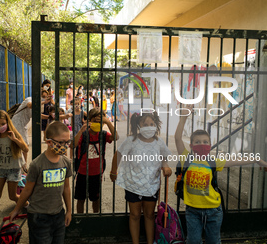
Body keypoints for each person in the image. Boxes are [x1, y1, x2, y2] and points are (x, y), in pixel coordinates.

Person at [174, 104, 267, 244]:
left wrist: (257, 159)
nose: (202, 144)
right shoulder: (186, 158)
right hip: (193, 211)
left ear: (210, 145)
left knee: (213, 241)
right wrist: (184, 117)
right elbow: (177, 138)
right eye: (197, 142)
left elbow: (235, 161)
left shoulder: (213, 162)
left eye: (205, 142)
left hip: (213, 211)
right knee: (193, 241)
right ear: (191, 146)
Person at [110, 112, 172, 244]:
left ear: (156, 125)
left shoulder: (159, 142)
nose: (149, 127)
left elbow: (164, 157)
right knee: (135, 215)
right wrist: (113, 171)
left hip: (152, 184)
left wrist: (165, 166)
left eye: (151, 124)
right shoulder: (131, 140)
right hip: (133, 184)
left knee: (150, 215)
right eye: (145, 124)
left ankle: (150, 242)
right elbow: (119, 154)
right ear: (138, 125)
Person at [9, 121, 72, 244]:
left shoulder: (66, 162)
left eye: (67, 142)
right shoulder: (37, 164)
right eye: (61, 142)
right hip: (39, 217)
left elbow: (66, 188)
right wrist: (17, 209)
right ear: (49, 142)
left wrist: (69, 210)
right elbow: (27, 189)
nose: (65, 145)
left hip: (58, 215)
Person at [73, 108, 119, 213]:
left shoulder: (103, 134)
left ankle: (95, 216)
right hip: (82, 173)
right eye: (95, 121)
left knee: (96, 199)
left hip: (97, 173)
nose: (98, 124)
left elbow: (116, 137)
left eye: (100, 122)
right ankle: (81, 219)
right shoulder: (84, 134)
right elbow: (72, 145)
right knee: (81, 199)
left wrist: (107, 122)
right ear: (89, 121)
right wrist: (81, 130)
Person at [0, 110, 29, 226]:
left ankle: (28, 205)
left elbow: (26, 149)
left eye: (3, 124)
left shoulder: (14, 133)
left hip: (14, 169)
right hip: (1, 169)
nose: (1, 127)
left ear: (7, 122)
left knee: (12, 196)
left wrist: (15, 140)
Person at [11, 97, 32, 169]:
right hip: (17, 125)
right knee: (24, 146)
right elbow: (29, 105)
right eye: (43, 97)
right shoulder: (29, 99)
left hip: (23, 126)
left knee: (24, 146)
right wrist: (42, 102)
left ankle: (23, 165)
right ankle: (23, 166)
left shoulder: (40, 106)